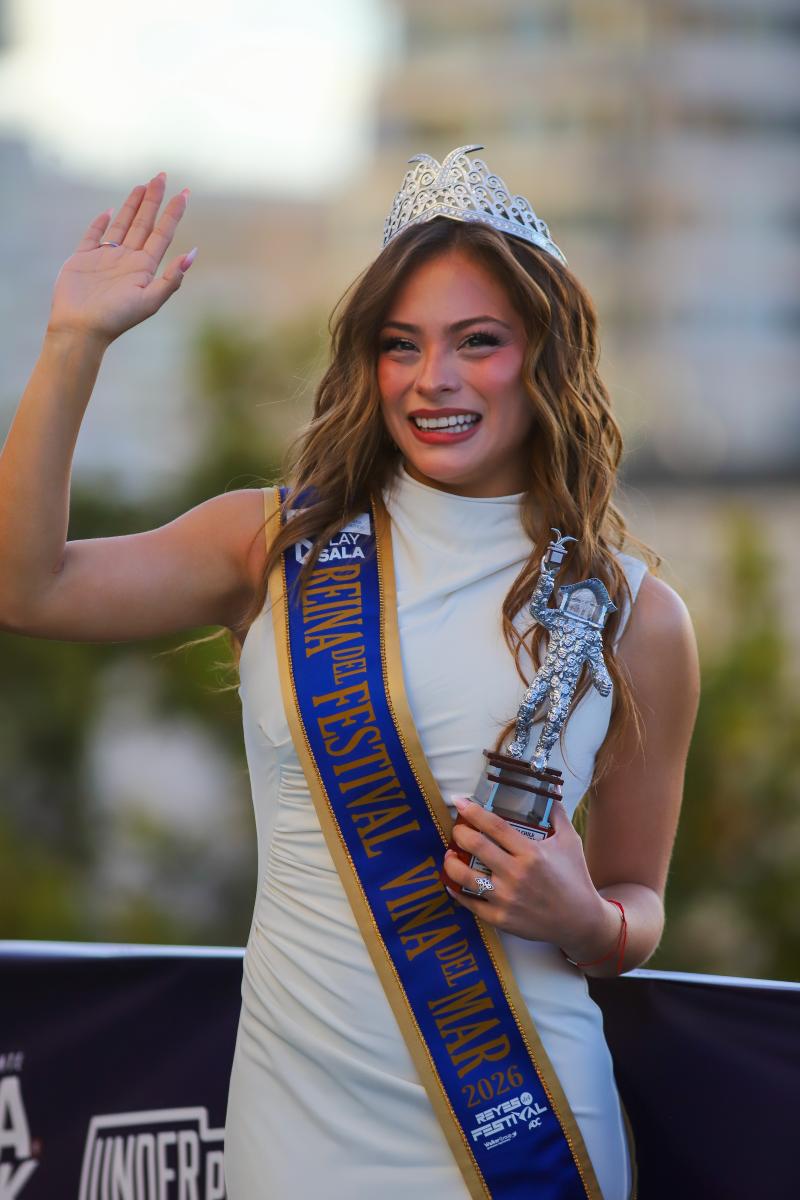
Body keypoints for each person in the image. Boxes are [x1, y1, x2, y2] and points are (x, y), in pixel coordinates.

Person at [0, 147, 699, 1200]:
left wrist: (587, 922)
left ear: (543, 356)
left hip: (524, 1129)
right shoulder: (271, 546)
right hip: (297, 1130)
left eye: (478, 343)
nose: (435, 380)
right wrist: (72, 344)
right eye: (400, 345)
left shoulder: (634, 614)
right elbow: (28, 588)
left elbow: (637, 896)